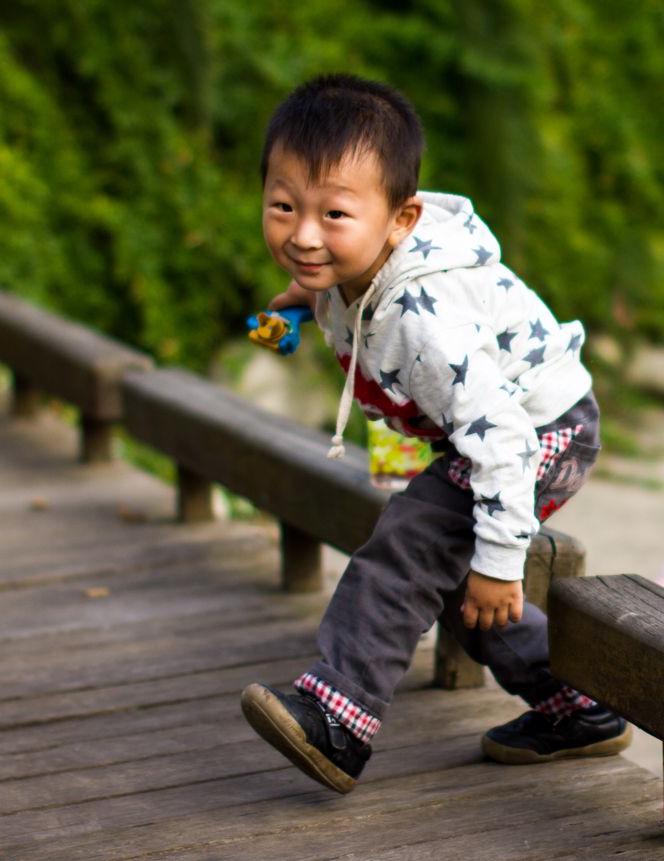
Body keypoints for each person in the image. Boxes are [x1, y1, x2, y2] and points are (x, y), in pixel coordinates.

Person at [240, 73, 632, 795]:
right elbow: (318, 292)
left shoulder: (425, 322)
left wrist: (501, 559)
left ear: (401, 219)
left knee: (415, 545)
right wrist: (292, 310)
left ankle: (341, 714)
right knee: (447, 576)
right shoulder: (343, 269)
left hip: (538, 434)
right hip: (487, 435)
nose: (302, 236)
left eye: (333, 215)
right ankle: (576, 705)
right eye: (283, 206)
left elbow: (506, 442)